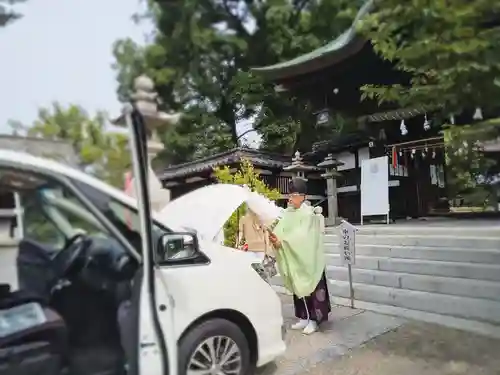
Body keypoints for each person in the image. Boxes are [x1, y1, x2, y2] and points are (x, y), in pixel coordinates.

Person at [268, 178, 330, 335]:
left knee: (311, 288)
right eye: (290, 195)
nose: (290, 198)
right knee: (298, 286)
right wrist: (275, 239)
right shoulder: (288, 213)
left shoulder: (308, 214)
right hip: (294, 257)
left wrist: (284, 241)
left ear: (304, 197)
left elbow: (303, 236)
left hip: (309, 260)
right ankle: (303, 317)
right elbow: (282, 230)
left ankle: (314, 320)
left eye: (294, 195)